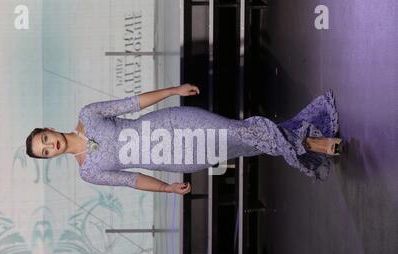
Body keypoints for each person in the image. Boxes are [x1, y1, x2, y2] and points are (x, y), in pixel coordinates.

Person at [26, 84, 342, 195]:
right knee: (247, 144)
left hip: (173, 124)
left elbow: (132, 104)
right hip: (176, 158)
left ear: (49, 129)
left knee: (237, 131)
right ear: (49, 158)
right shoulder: (89, 173)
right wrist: (166, 187)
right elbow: (131, 180)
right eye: (44, 152)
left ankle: (313, 145)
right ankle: (304, 134)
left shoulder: (89, 115)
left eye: (44, 138)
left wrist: (172, 91)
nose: (49, 145)